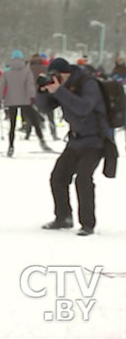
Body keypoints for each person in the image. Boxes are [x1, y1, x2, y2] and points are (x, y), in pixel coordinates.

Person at [40, 58, 113, 236]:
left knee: (83, 178)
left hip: (96, 140)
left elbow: (84, 108)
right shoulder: (63, 87)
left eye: (57, 75)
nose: (56, 78)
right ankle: (63, 217)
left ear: (67, 73)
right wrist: (43, 91)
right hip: (75, 140)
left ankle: (87, 224)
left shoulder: (88, 84)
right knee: (58, 177)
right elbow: (44, 108)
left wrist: (59, 90)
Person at [0, 50, 50, 157]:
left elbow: (1, 86)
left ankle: (11, 146)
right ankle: (42, 141)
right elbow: (30, 85)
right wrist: (32, 97)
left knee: (12, 125)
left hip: (11, 100)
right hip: (25, 100)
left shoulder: (6, 71)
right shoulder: (27, 71)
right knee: (34, 121)